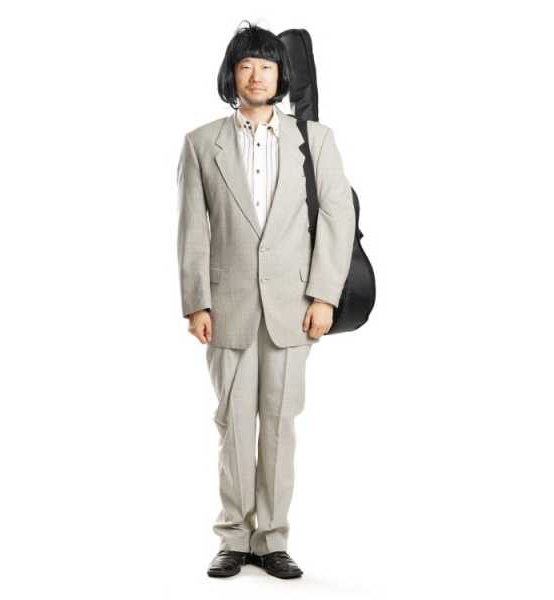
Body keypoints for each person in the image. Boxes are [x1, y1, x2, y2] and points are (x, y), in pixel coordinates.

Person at [176, 21, 355, 579]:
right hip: (226, 306)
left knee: (279, 424)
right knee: (233, 425)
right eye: (246, 66)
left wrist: (324, 295)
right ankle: (234, 537)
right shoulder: (201, 142)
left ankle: (272, 538)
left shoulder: (315, 140)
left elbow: (337, 217)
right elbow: (192, 228)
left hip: (294, 306)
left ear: (281, 75)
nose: (257, 76)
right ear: (232, 74)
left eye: (268, 66)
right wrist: (196, 302)